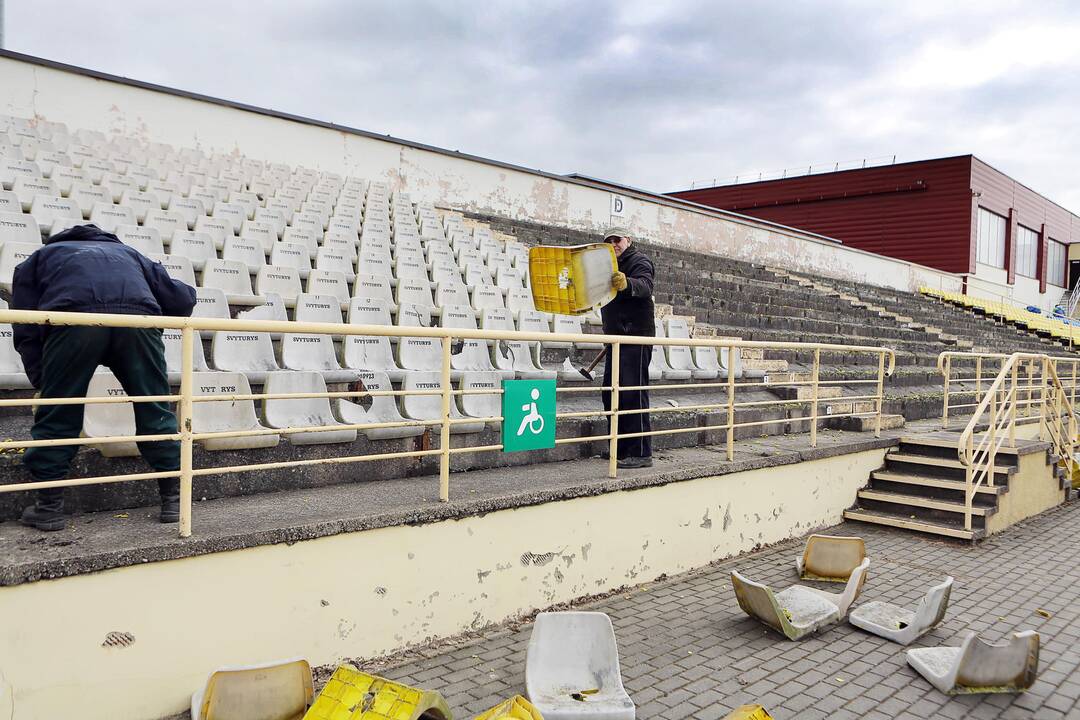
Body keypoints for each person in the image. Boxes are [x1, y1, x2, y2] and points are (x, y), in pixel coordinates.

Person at [11, 223, 197, 531]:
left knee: (59, 413)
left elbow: (25, 323)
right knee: (155, 411)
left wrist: (42, 378)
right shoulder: (129, 254)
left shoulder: (41, 256)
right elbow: (181, 300)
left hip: (73, 321)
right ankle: (174, 501)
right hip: (136, 323)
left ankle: (50, 508)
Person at [600, 227, 655, 468]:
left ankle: (641, 453)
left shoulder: (639, 260)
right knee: (611, 392)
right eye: (609, 241)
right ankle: (620, 448)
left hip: (636, 337)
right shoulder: (606, 264)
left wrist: (627, 283)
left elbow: (645, 285)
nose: (614, 244)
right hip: (616, 337)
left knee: (633, 393)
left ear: (628, 240)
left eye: (618, 239)